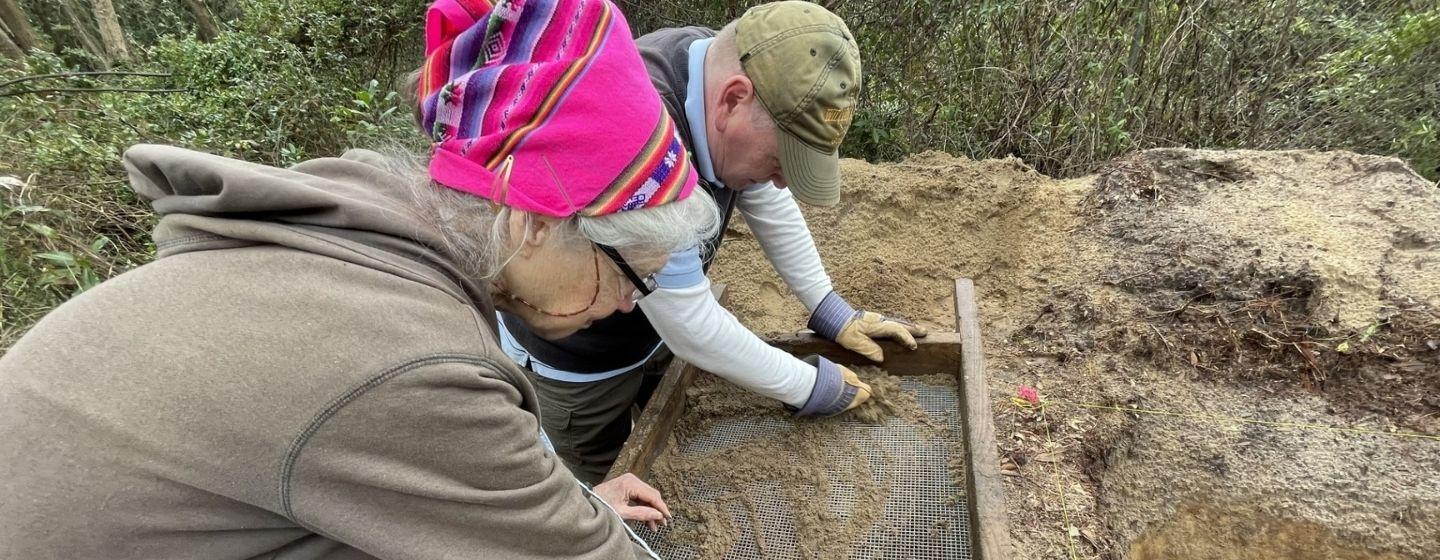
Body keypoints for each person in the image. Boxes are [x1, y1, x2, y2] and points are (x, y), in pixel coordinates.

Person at [0, 0, 717, 558]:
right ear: (534, 222)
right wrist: (573, 529)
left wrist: (560, 504)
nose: (631, 303)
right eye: (633, 274)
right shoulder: (414, 362)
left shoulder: (357, 232)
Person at [497, 0, 928, 485]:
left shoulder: (718, 62)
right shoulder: (640, 142)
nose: (786, 181)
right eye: (783, 157)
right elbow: (691, 324)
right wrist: (810, 386)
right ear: (731, 101)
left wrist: (827, 306)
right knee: (610, 475)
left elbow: (762, 191)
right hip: (581, 357)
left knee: (662, 415)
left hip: (649, 327)